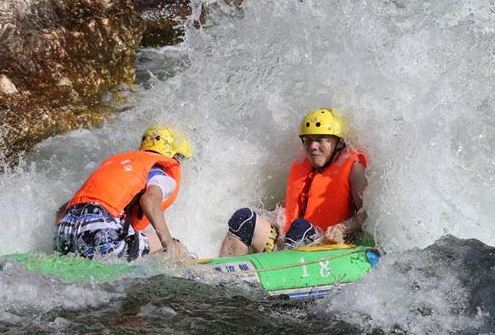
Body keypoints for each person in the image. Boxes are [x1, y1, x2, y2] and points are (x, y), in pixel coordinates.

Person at [219, 108, 367, 257]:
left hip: (326, 246)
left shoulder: (354, 169)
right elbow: (290, 208)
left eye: (320, 139)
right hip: (290, 243)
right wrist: (274, 217)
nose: (313, 146)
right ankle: (227, 272)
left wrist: (343, 228)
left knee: (300, 228)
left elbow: (366, 213)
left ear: (339, 142)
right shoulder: (301, 168)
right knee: (243, 219)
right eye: (307, 140)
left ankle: (277, 271)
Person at [54, 124, 192, 261]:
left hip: (64, 234)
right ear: (174, 154)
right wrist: (169, 243)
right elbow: (149, 200)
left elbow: (60, 212)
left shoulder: (120, 164)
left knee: (141, 237)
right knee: (174, 246)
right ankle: (191, 265)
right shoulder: (159, 175)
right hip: (100, 235)